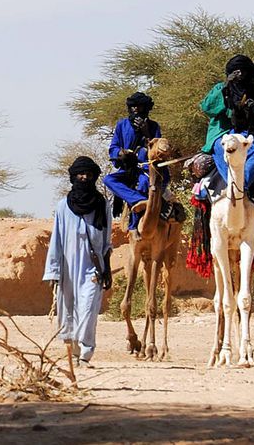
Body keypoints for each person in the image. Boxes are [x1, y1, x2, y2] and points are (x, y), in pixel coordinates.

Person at [43, 156, 113, 366]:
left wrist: (106, 267)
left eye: (88, 175)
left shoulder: (102, 205)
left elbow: (107, 240)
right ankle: (72, 347)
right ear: (73, 177)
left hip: (93, 267)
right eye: (81, 174)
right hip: (68, 267)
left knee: (89, 308)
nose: (84, 178)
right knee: (68, 308)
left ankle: (86, 350)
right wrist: (54, 271)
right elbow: (56, 239)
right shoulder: (63, 206)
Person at [198, 54, 254, 188]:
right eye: (235, 73)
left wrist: (253, 114)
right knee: (221, 149)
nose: (239, 77)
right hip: (222, 134)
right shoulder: (221, 88)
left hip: (248, 136)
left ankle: (242, 186)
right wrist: (226, 85)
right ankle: (232, 184)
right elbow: (207, 107)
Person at [102, 92, 164, 229]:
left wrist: (146, 133)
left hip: (145, 170)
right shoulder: (121, 125)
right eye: (133, 107)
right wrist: (120, 153)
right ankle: (139, 201)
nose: (135, 110)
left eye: (139, 107)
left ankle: (134, 225)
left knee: (143, 184)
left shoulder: (154, 127)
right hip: (127, 168)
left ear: (146, 109)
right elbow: (114, 147)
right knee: (108, 179)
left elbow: (157, 151)